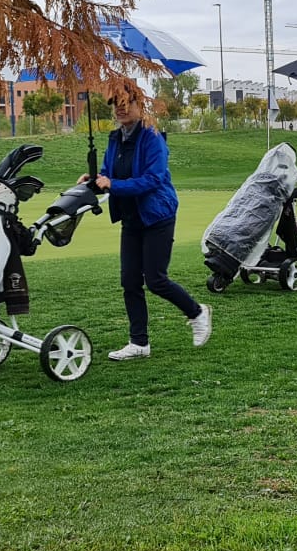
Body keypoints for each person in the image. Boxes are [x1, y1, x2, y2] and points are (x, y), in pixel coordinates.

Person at [85, 88, 211, 360]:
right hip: (131, 218)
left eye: (124, 103)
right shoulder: (115, 138)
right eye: (115, 104)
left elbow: (153, 179)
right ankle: (139, 343)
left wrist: (113, 184)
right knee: (129, 281)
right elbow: (109, 171)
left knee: (155, 279)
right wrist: (94, 178)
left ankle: (197, 312)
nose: (119, 109)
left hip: (157, 215)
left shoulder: (152, 138)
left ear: (138, 105)